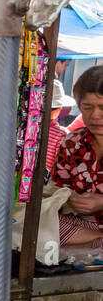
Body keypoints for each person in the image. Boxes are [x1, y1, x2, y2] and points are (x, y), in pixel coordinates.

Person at [53, 65, 103, 249]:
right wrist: (68, 198)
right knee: (26, 218)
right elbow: (58, 187)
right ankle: (97, 239)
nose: (95, 115)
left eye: (102, 107)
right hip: (80, 225)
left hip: (80, 234)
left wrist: (100, 202)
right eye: (87, 107)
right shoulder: (72, 142)